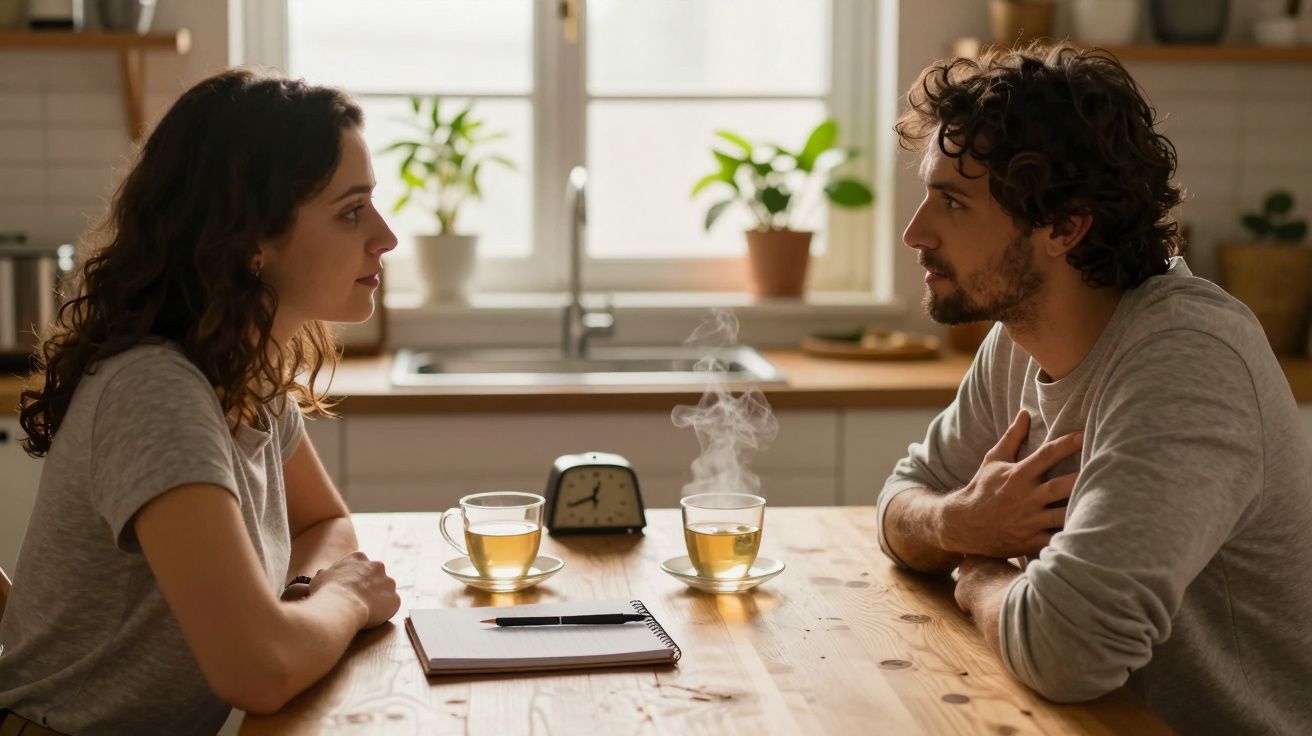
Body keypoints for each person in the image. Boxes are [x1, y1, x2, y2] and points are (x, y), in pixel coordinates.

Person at [879, 44, 1312, 735]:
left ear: (1064, 226)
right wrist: (961, 523)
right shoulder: (1017, 337)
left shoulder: (1188, 361)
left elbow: (1068, 652)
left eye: (953, 202)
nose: (914, 233)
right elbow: (902, 497)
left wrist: (983, 578)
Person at [0, 69, 401, 735]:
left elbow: (324, 523)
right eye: (351, 211)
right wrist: (346, 601)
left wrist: (301, 606)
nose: (386, 236)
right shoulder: (154, 390)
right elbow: (258, 671)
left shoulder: (245, 369)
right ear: (250, 242)